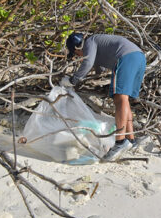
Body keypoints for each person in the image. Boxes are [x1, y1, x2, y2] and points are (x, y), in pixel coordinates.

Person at [61, 33, 146, 161]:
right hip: (138, 57)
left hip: (126, 58)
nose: (78, 57)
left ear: (77, 48)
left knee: (120, 99)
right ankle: (130, 139)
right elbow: (98, 68)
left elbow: (88, 62)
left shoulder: (90, 41)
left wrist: (73, 80)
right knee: (124, 100)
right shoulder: (96, 43)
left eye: (75, 54)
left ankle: (120, 142)